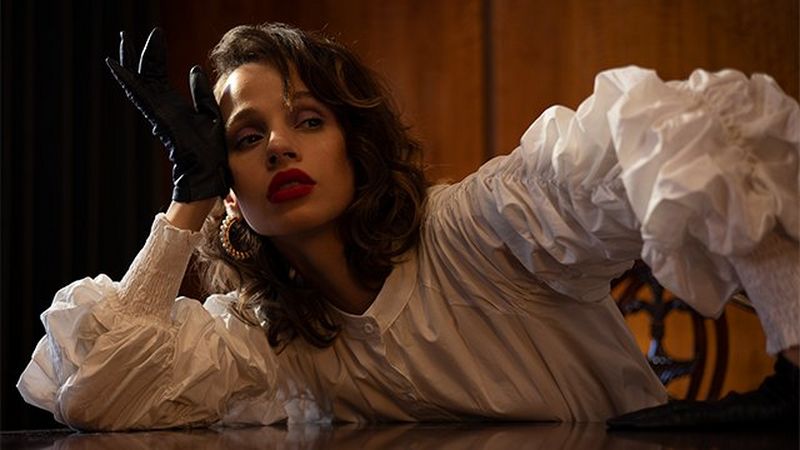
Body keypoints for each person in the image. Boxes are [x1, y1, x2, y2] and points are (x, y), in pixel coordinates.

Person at [17, 23, 798, 431]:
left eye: (308, 119)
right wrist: (186, 201)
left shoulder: (482, 230)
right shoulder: (267, 341)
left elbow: (698, 127)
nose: (279, 144)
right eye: (246, 139)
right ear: (232, 194)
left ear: (356, 148)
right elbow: (96, 394)